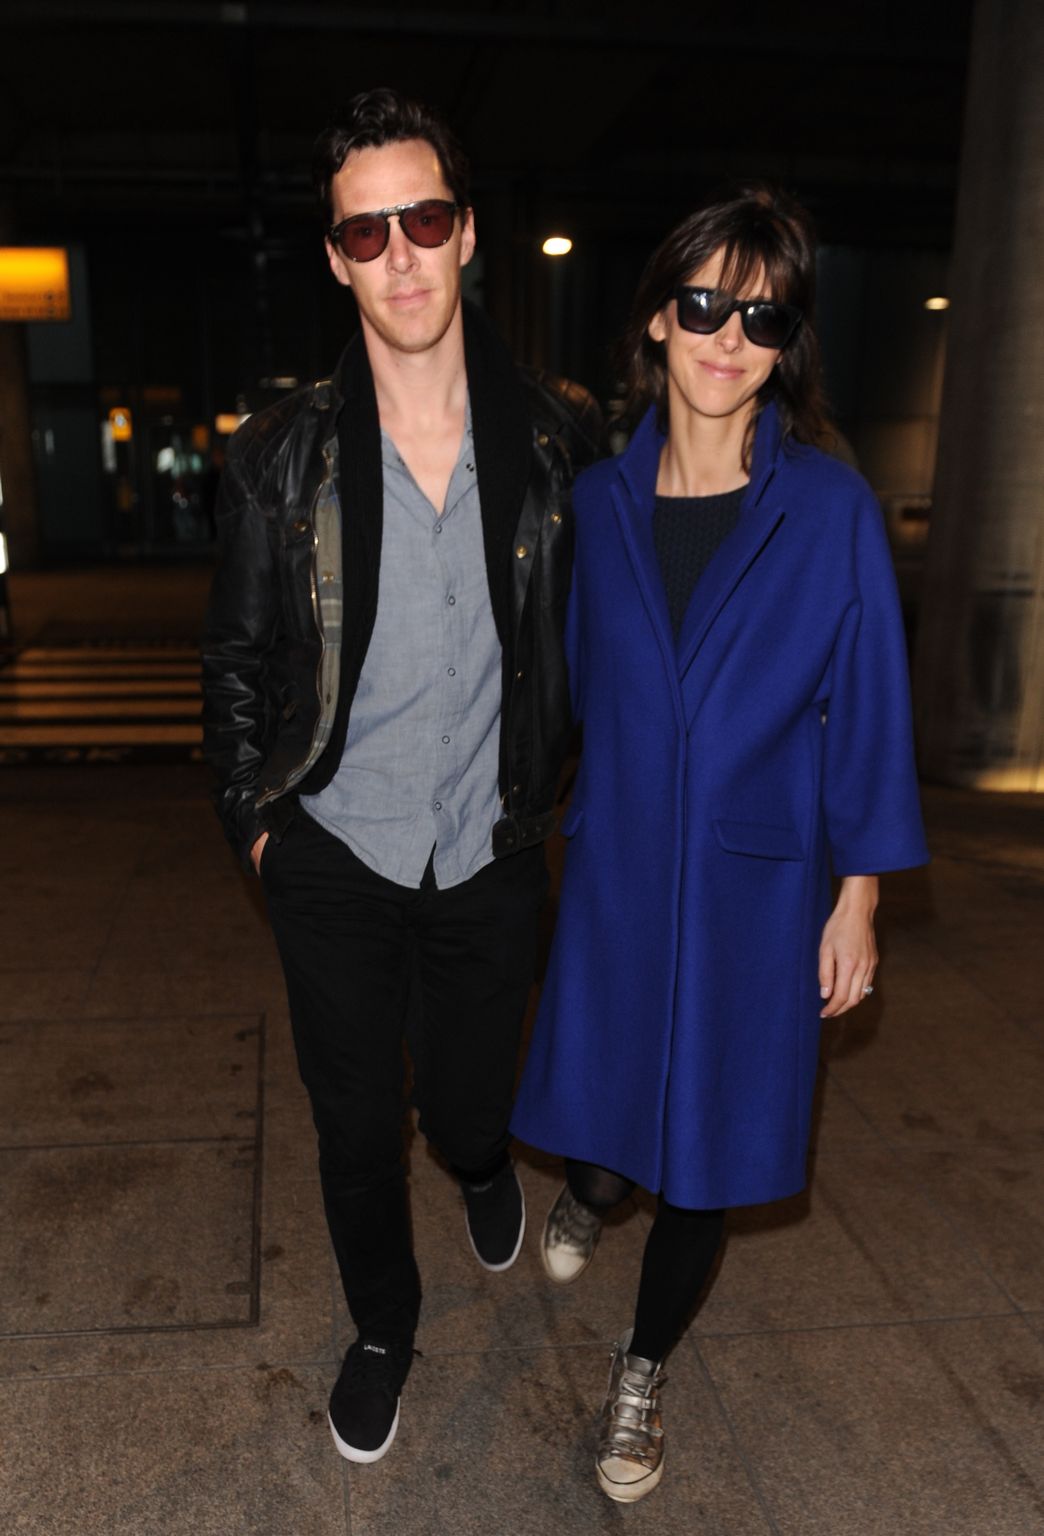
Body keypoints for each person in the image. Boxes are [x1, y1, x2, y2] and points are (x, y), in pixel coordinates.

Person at [201, 87, 600, 1466]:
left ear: (468, 231)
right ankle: (382, 1324)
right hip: (335, 850)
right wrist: (261, 830)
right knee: (358, 1118)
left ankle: (484, 1160)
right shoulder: (282, 457)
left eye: (422, 219)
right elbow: (237, 664)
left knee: (473, 1105)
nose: (400, 256)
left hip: (490, 843)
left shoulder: (553, 448)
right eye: (366, 233)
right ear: (334, 259)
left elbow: (598, 654)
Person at [511, 186, 929, 1504]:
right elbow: (563, 686)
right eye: (704, 305)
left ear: (783, 341)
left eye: (762, 315)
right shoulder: (596, 504)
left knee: (711, 1141)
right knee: (605, 1113)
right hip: (625, 869)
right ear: (658, 320)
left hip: (761, 884)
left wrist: (857, 895)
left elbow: (865, 706)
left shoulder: (832, 512)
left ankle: (644, 1368)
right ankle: (591, 1185)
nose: (728, 336)